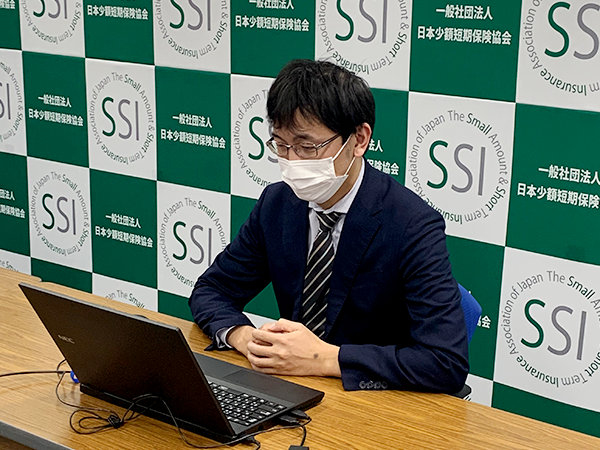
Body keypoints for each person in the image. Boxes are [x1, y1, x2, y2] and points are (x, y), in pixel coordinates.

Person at [189, 59, 469, 392]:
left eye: (307, 147)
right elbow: (211, 290)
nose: (292, 162)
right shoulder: (277, 204)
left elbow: (445, 362)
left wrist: (325, 358)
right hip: (291, 388)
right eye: (281, 145)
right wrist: (244, 337)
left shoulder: (411, 224)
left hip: (369, 400)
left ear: (359, 139)